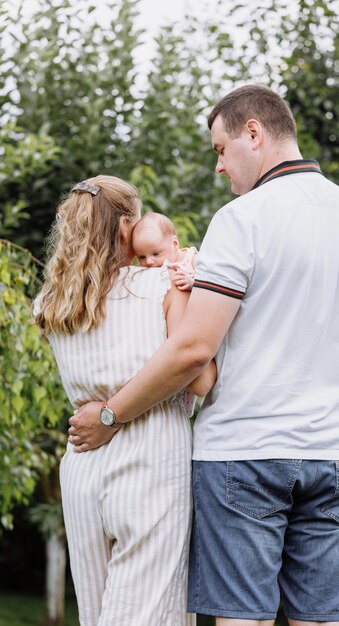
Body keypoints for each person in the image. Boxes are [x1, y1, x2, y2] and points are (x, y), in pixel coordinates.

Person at [70, 85, 339, 626]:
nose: (219, 166)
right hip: (336, 453)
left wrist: (110, 413)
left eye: (219, 148)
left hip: (246, 453)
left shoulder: (242, 218)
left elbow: (192, 350)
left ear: (253, 134)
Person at [34, 175, 215, 626]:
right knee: (151, 614)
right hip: (151, 463)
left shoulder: (51, 303)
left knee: (96, 615)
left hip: (83, 466)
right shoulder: (164, 288)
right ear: (123, 229)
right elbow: (200, 379)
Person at [132, 212, 197, 291]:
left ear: (174, 244)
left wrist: (193, 283)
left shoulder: (190, 259)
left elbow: (210, 281)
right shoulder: (148, 270)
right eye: (142, 257)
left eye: (155, 254)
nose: (148, 261)